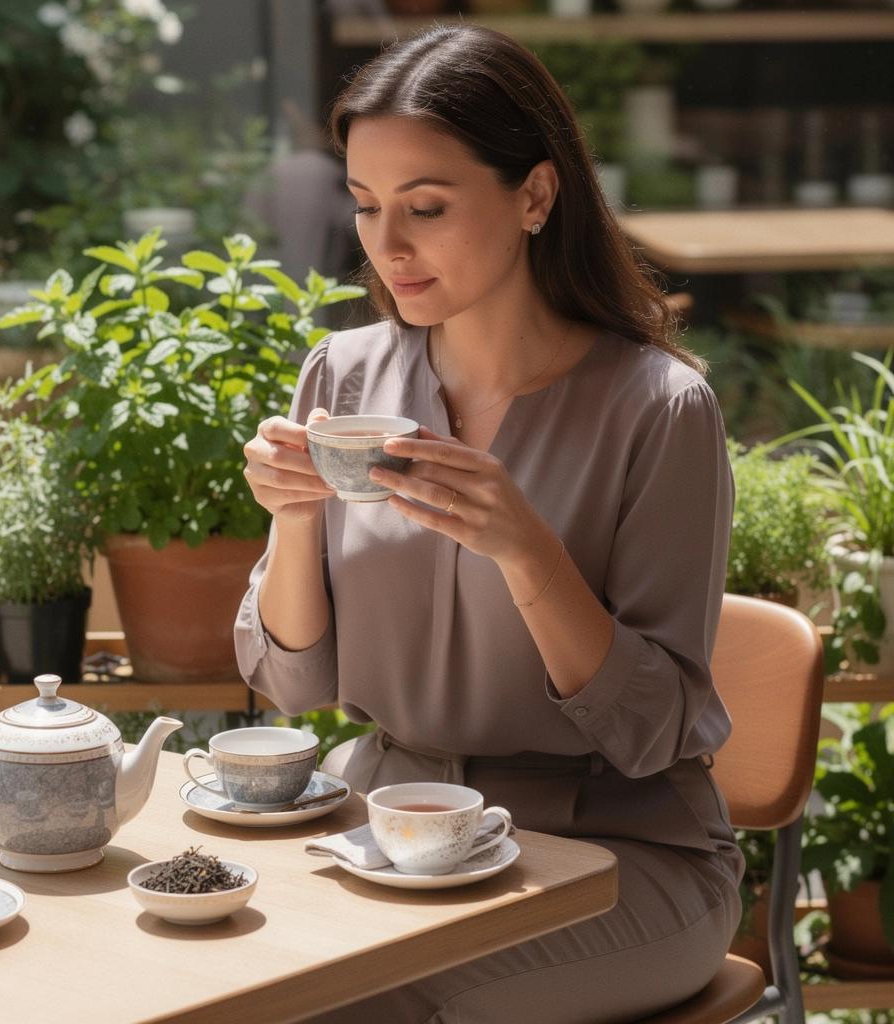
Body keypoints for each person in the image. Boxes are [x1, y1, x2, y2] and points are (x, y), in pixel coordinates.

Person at [235, 23, 741, 1024]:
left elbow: (655, 729)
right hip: (386, 834)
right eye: (368, 207)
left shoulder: (659, 408)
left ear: (535, 195)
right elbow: (292, 682)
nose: (387, 245)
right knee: (213, 975)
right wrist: (294, 518)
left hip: (614, 855)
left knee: (358, 1006)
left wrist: (524, 546)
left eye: (424, 206)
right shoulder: (344, 376)